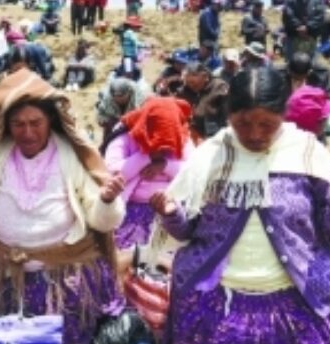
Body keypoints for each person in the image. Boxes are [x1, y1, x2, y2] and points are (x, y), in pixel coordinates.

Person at [150, 66, 330, 344]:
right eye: (243, 123)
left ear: (283, 115)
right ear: (229, 116)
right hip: (217, 309)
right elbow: (188, 232)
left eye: (267, 124)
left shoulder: (307, 155)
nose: (255, 134)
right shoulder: (210, 157)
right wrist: (172, 214)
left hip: (297, 307)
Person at [0, 68, 126, 344]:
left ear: (50, 120)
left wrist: (106, 200)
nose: (27, 132)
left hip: (60, 281)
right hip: (1, 279)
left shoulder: (72, 157)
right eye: (18, 124)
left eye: (35, 123)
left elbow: (100, 220)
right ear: (6, 124)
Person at [104, 97, 193, 252]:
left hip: (172, 211)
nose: (160, 149)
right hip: (131, 209)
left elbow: (194, 172)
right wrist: (145, 157)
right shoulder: (125, 136)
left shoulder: (182, 138)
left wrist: (165, 165)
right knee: (131, 260)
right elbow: (113, 171)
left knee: (166, 261)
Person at [178, 61, 230, 141]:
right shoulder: (187, 90)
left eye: (193, 83)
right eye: (188, 83)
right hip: (194, 136)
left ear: (205, 77)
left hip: (217, 137)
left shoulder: (219, 88)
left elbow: (229, 116)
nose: (191, 86)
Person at [97, 77, 151, 143]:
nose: (119, 100)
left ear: (129, 92)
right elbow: (101, 117)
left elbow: (145, 114)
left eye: (122, 97)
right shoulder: (107, 99)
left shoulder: (139, 96)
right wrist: (106, 122)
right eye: (116, 97)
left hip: (134, 122)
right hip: (114, 123)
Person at [119, 16, 143, 80]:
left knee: (130, 71)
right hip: (128, 57)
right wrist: (147, 45)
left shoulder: (127, 33)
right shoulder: (130, 33)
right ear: (133, 26)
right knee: (129, 74)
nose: (138, 28)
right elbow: (137, 43)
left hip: (129, 56)